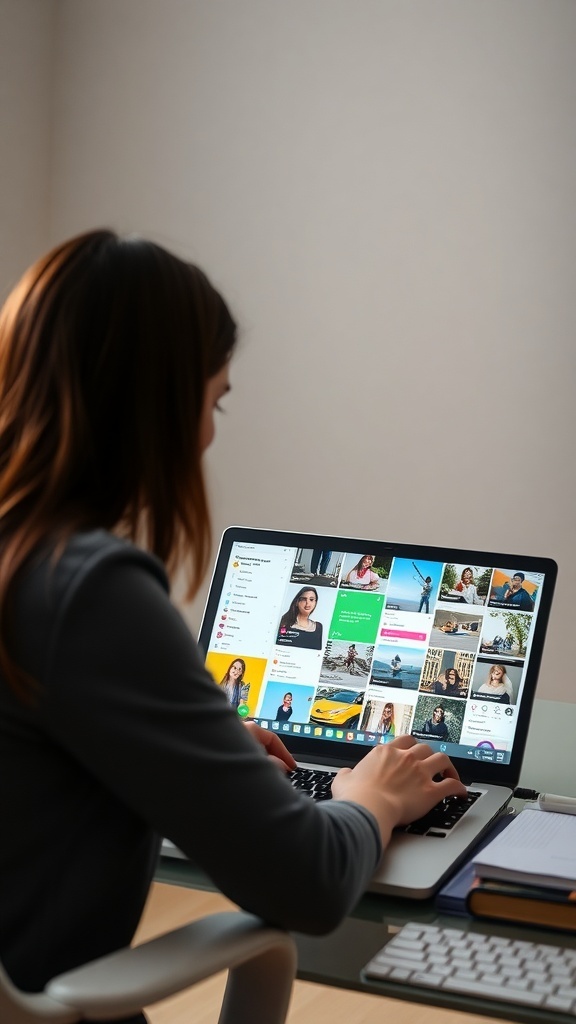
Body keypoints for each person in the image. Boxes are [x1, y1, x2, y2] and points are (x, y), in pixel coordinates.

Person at [0, 230, 466, 1023]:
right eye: (213, 401)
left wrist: (190, 750)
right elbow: (308, 885)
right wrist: (371, 798)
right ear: (157, 406)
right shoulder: (88, 589)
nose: (210, 433)